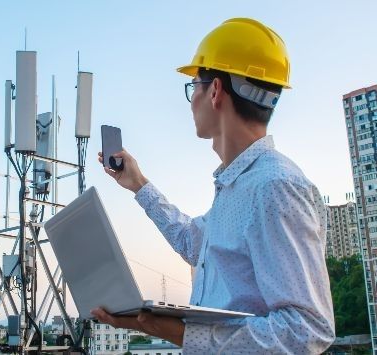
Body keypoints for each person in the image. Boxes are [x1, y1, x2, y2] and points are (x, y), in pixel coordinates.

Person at [92, 18, 335, 354]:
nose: (192, 101)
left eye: (194, 86)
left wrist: (182, 333)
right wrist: (139, 185)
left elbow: (307, 330)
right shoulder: (238, 185)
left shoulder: (274, 187)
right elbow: (197, 244)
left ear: (216, 91)